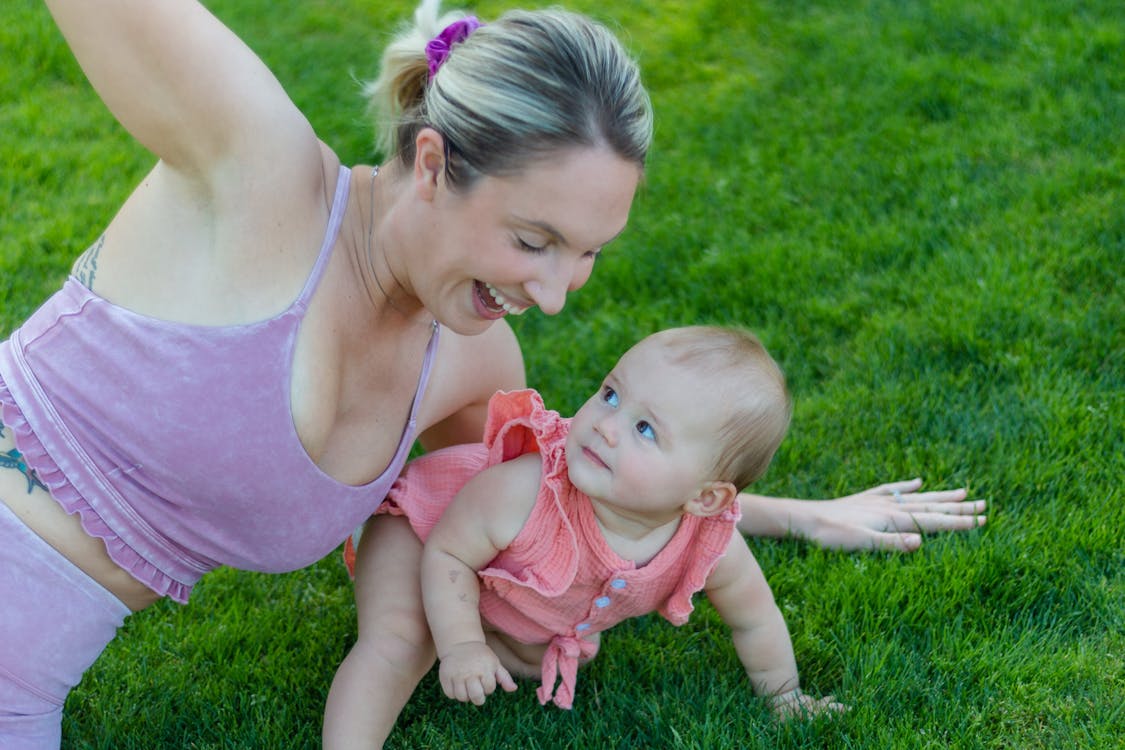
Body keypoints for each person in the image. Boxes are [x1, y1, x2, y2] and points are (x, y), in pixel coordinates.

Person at [0, 1, 983, 747]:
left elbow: (567, 494)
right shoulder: (257, 173)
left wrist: (799, 514)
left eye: (587, 254)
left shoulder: (472, 357)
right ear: (431, 165)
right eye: (533, 240)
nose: (555, 295)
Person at [327, 326, 847, 747]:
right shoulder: (526, 490)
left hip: (505, 585)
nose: (605, 424)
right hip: (422, 531)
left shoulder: (710, 542)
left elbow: (755, 618)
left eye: (645, 429)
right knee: (402, 639)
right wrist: (460, 645)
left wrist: (785, 696)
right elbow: (448, 552)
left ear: (705, 499)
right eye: (611, 394)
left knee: (549, 651)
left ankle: (482, 637)